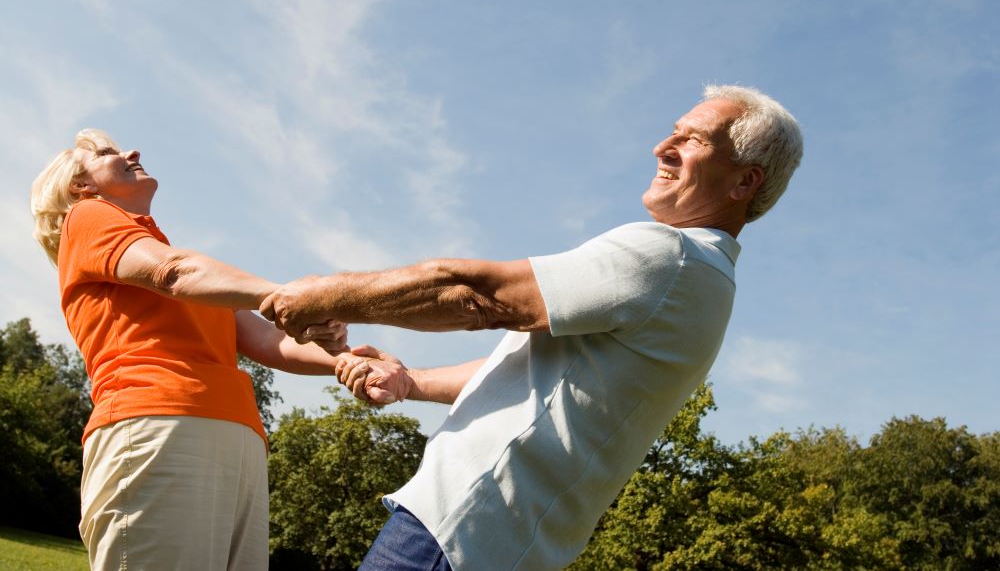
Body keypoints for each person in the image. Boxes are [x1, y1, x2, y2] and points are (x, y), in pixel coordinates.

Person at [262, 84, 804, 571]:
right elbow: (534, 372)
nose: (663, 147)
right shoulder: (703, 280)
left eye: (694, 140)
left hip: (461, 528)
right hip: (493, 538)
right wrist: (409, 381)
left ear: (744, 181)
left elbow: (478, 298)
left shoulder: (673, 256)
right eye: (673, 131)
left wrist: (321, 295)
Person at [30, 129, 351, 571]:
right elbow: (173, 273)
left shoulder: (163, 251)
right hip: (157, 425)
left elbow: (264, 339)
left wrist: (345, 361)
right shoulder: (87, 216)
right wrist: (287, 296)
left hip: (236, 436)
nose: (132, 151)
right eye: (107, 153)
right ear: (80, 187)